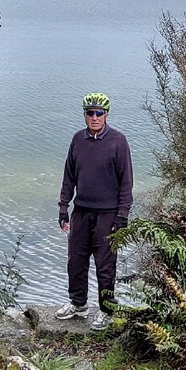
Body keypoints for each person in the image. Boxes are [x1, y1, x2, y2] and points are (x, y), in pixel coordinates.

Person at [55, 92, 134, 330]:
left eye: (99, 113)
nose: (95, 117)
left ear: (107, 114)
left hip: (108, 215)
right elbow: (69, 176)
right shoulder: (78, 140)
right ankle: (78, 304)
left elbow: (126, 182)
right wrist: (63, 208)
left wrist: (122, 217)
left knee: (105, 264)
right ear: (85, 115)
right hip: (81, 212)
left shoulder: (118, 141)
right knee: (75, 261)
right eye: (90, 113)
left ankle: (106, 310)